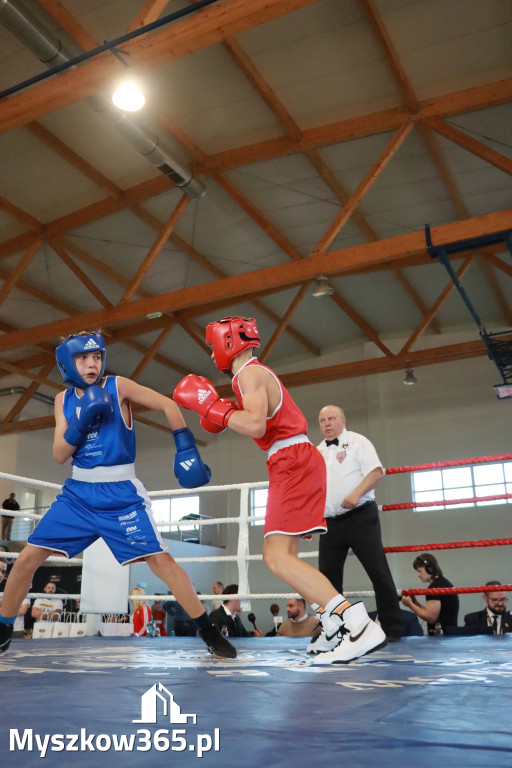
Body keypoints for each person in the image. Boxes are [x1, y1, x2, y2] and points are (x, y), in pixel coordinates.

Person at [0, 331, 235, 660]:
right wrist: (81, 422)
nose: (92, 364)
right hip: (78, 495)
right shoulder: (62, 400)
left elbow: (167, 404)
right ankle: (3, 630)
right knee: (25, 560)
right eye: (83, 358)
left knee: (161, 561)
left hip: (121, 492)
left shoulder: (117, 386)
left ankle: (209, 632)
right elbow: (58, 453)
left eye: (96, 357)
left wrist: (185, 445)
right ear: (68, 362)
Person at [173, 316, 387, 664]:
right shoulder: (254, 374)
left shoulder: (249, 374)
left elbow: (255, 424)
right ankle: (332, 623)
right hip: (293, 458)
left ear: (226, 343)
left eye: (213, 346)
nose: (213, 354)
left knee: (275, 556)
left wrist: (215, 408)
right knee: (286, 554)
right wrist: (223, 410)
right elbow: (259, 424)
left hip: (292, 459)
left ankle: (356, 622)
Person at [316, 405, 402, 643]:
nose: (327, 423)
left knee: (378, 572)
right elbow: (314, 488)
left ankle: (393, 629)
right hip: (330, 523)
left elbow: (376, 472)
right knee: (327, 580)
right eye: (322, 420)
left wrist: (355, 494)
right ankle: (335, 631)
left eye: (331, 418)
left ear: (343, 420)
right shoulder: (317, 451)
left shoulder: (358, 441)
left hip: (360, 516)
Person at [401, 553, 459, 634]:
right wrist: (415, 603)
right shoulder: (442, 583)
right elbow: (432, 612)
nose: (418, 575)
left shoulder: (434, 587)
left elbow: (431, 618)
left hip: (442, 638)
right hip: (448, 635)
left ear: (429, 569)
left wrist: (410, 605)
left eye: (419, 571)